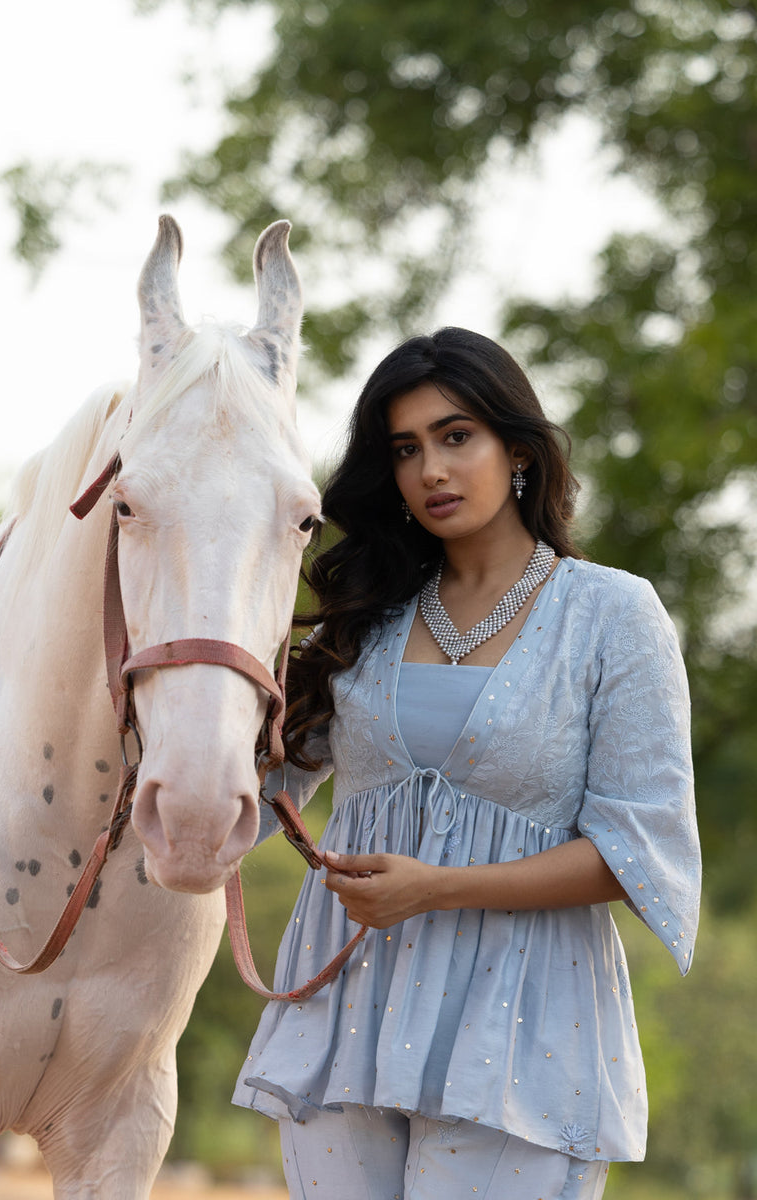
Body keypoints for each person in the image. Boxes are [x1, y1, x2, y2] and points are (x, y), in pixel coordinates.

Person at [233, 327, 701, 1200]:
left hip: (521, 1024)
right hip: (347, 1008)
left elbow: (637, 849)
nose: (431, 471)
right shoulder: (365, 619)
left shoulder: (612, 615)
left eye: (456, 437)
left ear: (518, 452)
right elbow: (245, 799)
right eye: (405, 449)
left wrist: (437, 887)